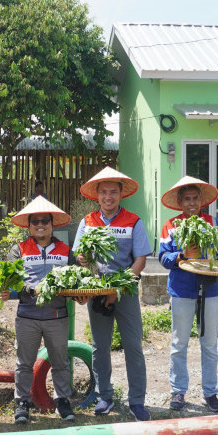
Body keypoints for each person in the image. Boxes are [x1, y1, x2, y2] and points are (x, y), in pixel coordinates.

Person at [72, 166, 151, 421]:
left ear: (120, 195)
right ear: (97, 195)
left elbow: (140, 260)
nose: (108, 197)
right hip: (96, 291)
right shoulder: (87, 222)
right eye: (104, 192)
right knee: (100, 347)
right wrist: (82, 258)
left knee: (132, 346)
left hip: (125, 291)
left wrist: (118, 288)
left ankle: (137, 401)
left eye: (113, 192)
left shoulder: (133, 221)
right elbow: (79, 256)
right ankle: (104, 396)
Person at [4, 196, 75, 424]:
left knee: (61, 362)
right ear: (29, 225)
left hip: (57, 316)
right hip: (28, 316)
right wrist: (30, 289)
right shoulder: (19, 249)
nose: (40, 224)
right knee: (24, 363)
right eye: (35, 221)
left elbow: (77, 280)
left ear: (52, 224)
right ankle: (22, 402)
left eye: (45, 220)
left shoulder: (66, 250)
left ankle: (62, 400)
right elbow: (12, 280)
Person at [158, 175, 218, 413]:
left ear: (201, 200)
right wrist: (181, 255)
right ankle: (178, 391)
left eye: (195, 198)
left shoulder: (213, 223)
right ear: (179, 202)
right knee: (179, 343)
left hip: (209, 289)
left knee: (209, 344)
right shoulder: (171, 225)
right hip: (181, 289)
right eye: (186, 199)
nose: (191, 203)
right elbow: (163, 257)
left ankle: (210, 392)